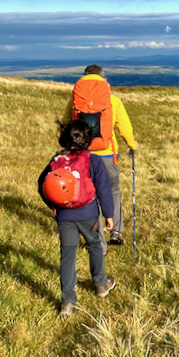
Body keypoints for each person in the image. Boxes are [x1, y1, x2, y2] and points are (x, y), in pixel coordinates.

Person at [38, 120, 117, 318]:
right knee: (95, 246)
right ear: (88, 139)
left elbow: (42, 184)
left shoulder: (56, 161)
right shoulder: (93, 160)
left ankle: (67, 302)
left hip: (64, 216)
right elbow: (104, 189)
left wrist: (55, 207)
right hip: (88, 213)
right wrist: (109, 215)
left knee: (67, 255)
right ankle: (101, 284)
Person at [64, 64, 139, 248]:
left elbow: (67, 124)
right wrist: (132, 145)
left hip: (84, 156)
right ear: (104, 79)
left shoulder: (75, 100)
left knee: (90, 196)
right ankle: (116, 232)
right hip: (106, 155)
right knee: (112, 190)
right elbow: (124, 128)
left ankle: (99, 244)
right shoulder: (112, 100)